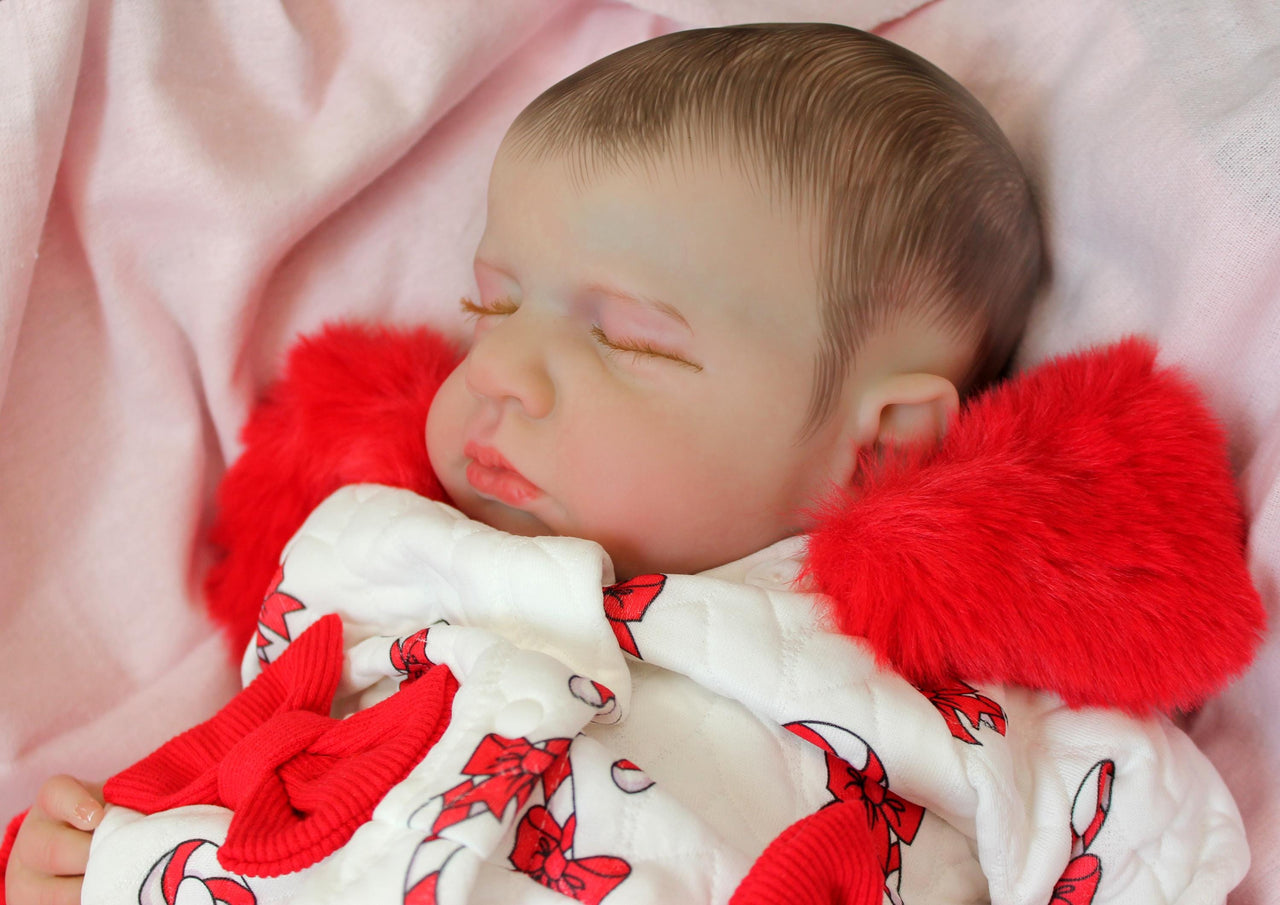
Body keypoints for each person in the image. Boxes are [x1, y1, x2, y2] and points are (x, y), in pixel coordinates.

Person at [4, 23, 1256, 905]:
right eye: (492, 306)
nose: (499, 370)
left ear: (877, 445)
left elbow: (1156, 852)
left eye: (622, 336)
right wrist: (113, 848)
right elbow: (264, 760)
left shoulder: (967, 707)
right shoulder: (396, 567)